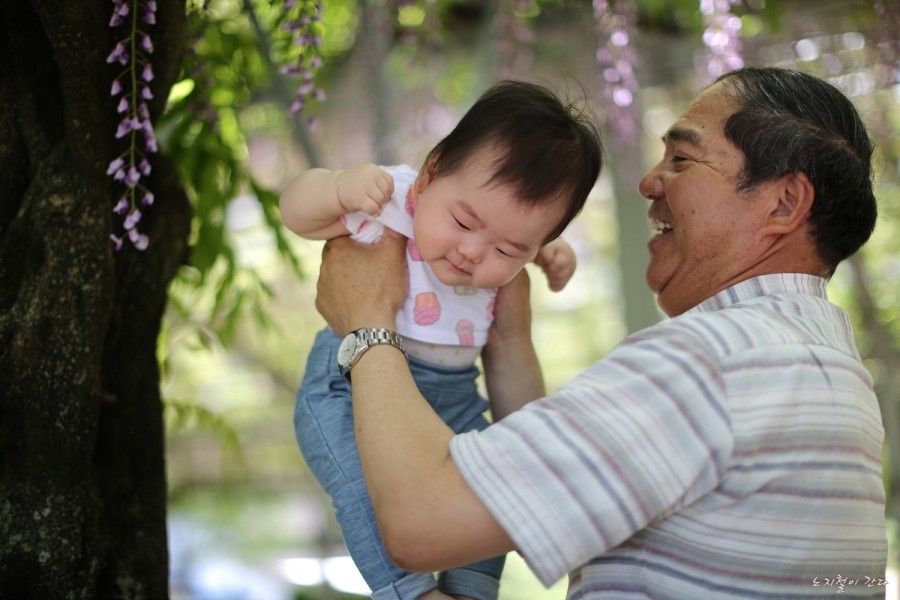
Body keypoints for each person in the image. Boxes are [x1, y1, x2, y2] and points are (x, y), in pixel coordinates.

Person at [311, 67, 888, 599]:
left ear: (784, 203)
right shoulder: (834, 369)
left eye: (682, 160)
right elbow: (524, 494)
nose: (648, 181)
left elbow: (424, 523)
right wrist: (509, 339)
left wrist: (369, 321)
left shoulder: (712, 361)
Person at [280, 80, 603, 600]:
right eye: (463, 221)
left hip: (455, 398)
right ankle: (409, 591)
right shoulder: (392, 197)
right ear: (430, 174)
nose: (474, 252)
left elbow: (512, 366)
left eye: (508, 249)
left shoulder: (509, 259)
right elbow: (294, 209)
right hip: (345, 389)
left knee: (492, 479)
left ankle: (472, 588)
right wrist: (338, 188)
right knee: (362, 489)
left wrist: (528, 456)